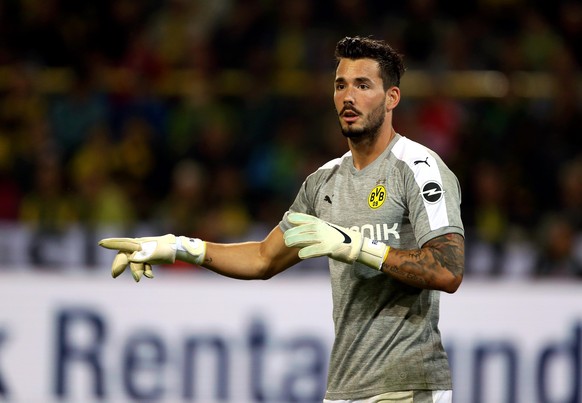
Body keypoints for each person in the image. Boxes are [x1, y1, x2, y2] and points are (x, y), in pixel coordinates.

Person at [99, 36, 465, 403]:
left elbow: (448, 269)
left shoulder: (418, 168)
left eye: (363, 85)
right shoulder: (323, 182)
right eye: (340, 85)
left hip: (409, 386)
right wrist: (179, 246)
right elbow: (263, 258)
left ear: (392, 98)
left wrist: (357, 247)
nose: (348, 97)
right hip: (345, 389)